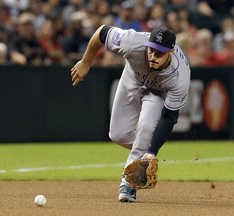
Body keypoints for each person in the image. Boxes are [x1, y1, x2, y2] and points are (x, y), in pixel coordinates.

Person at [71, 25, 191, 202]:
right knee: (118, 135)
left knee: (146, 126)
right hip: (133, 78)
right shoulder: (133, 43)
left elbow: (169, 117)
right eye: (151, 50)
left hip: (158, 91)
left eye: (159, 53)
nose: (153, 56)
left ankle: (129, 184)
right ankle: (144, 155)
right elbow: (102, 32)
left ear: (171, 52)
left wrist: (152, 150)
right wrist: (86, 61)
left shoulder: (180, 76)